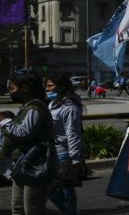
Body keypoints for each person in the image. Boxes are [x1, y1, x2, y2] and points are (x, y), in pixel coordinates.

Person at [0, 73, 56, 215]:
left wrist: (3, 120)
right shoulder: (27, 107)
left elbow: (23, 133)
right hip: (22, 165)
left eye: (13, 88)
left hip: (36, 166)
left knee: (32, 210)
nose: (11, 92)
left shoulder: (35, 108)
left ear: (25, 88)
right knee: (18, 209)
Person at [45, 74, 85, 215]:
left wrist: (75, 159)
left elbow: (73, 134)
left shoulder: (70, 107)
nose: (47, 88)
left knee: (66, 189)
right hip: (52, 152)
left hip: (64, 153)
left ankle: (70, 212)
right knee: (48, 186)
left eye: (50, 85)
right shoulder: (53, 104)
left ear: (61, 87)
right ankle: (69, 211)